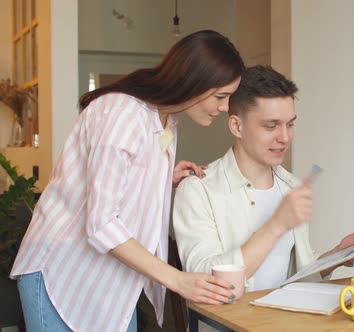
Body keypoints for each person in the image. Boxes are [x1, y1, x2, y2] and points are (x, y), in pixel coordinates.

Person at [10, 30, 245, 332]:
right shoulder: (122, 113)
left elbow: (117, 177)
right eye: (221, 97)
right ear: (193, 81)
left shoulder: (167, 120)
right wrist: (177, 280)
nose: (225, 108)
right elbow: (102, 223)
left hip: (109, 283)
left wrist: (162, 179)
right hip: (63, 272)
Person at [173, 65, 354, 293]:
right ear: (237, 126)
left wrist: (337, 256)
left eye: (290, 124)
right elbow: (206, 282)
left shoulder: (291, 186)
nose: (284, 137)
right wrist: (277, 224)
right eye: (271, 126)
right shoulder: (197, 190)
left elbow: (293, 275)